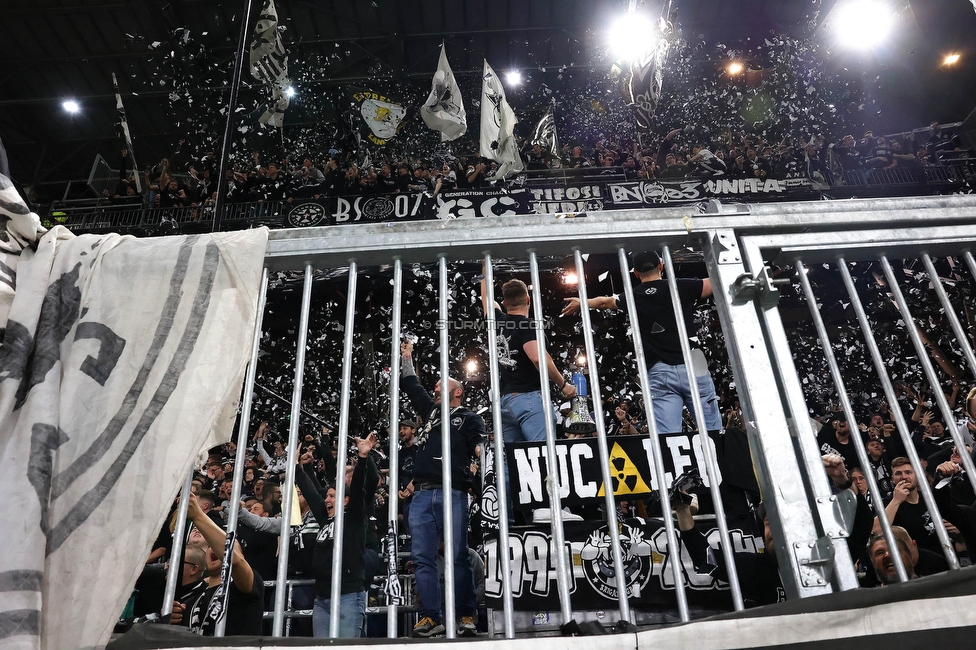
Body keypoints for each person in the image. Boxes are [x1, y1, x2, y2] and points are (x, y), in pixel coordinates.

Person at [562, 250, 721, 434]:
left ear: (635, 273)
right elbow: (715, 282)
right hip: (694, 365)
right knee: (714, 434)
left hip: (660, 372)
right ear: (661, 265)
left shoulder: (633, 296)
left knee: (668, 438)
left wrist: (581, 301)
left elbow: (604, 302)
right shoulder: (680, 287)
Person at [399, 340, 484, 637]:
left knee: (459, 555)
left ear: (458, 391)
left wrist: (480, 458)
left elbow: (479, 446)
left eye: (440, 386)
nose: (434, 388)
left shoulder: (469, 418)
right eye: (433, 386)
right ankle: (431, 616)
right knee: (422, 557)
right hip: (422, 493)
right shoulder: (430, 412)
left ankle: (465, 615)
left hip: (453, 492)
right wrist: (407, 356)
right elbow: (410, 384)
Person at [481, 266, 579, 522]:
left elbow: (484, 300)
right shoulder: (526, 324)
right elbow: (537, 359)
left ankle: (502, 514)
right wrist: (563, 384)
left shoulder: (498, 322)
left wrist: (484, 268)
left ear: (503, 302)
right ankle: (549, 507)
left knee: (509, 461)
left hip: (504, 402)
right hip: (528, 399)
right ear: (528, 299)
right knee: (543, 452)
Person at [293, 432, 377, 638]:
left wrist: (363, 458)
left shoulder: (354, 517)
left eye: (332, 496)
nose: (326, 500)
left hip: (348, 595)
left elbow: (358, 490)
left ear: (346, 500)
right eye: (327, 496)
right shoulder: (325, 519)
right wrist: (296, 467)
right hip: (322, 598)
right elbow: (312, 494)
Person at [170, 493, 264, 636]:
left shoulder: (249, 586)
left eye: (220, 545)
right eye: (211, 545)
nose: (215, 549)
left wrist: (198, 516)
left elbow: (234, 561)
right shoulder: (190, 600)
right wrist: (169, 619)